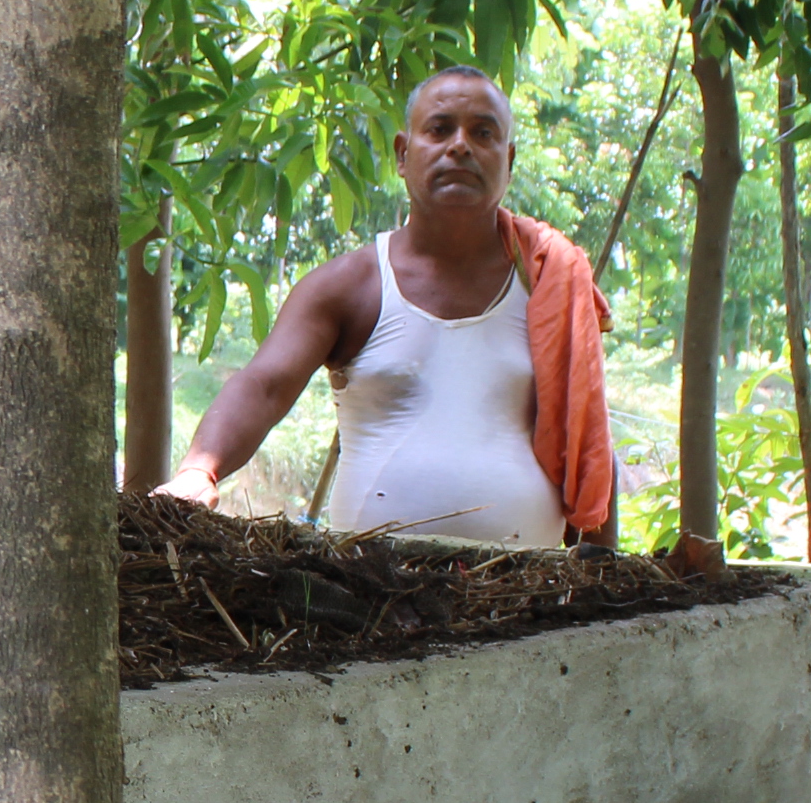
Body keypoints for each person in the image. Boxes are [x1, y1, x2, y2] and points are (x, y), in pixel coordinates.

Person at [151, 65, 616, 546]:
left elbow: (588, 441)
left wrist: (611, 584)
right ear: (403, 153)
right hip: (373, 594)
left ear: (509, 159)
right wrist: (198, 473)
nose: (460, 146)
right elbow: (264, 386)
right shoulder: (352, 284)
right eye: (439, 130)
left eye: (483, 133)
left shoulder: (548, 283)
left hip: (528, 594)